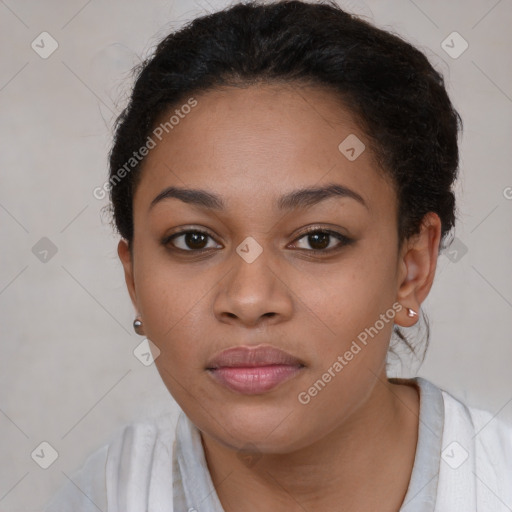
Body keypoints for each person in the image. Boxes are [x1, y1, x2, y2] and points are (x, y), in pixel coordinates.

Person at [44, 0, 512, 510]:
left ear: (412, 267)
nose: (248, 299)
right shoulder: (108, 494)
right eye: (194, 240)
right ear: (133, 278)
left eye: (317, 239)